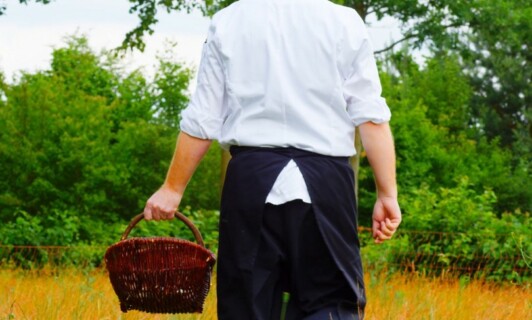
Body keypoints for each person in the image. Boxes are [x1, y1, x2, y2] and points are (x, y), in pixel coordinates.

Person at [143, 0, 401, 319]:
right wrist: (386, 194)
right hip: (327, 183)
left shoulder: (228, 21)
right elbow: (371, 117)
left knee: (245, 307)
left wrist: (172, 188)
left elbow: (203, 117)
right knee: (331, 306)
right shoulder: (344, 22)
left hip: (250, 184)